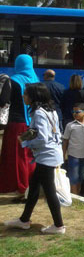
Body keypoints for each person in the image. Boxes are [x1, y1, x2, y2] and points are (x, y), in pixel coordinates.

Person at [4, 83, 65, 234]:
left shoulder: (39, 113)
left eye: (26, 94)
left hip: (46, 156)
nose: (23, 96)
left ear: (34, 97)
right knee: (34, 188)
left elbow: (43, 138)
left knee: (49, 191)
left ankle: (58, 225)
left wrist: (25, 142)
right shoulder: (51, 111)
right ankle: (24, 220)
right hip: (49, 154)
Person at [0, 54, 39, 194]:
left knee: (16, 156)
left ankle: (19, 186)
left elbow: (3, 101)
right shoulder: (36, 80)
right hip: (33, 124)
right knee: (29, 155)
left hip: (16, 125)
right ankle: (30, 185)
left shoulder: (13, 81)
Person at [62, 103, 84, 194]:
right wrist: (63, 154)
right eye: (73, 112)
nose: (74, 114)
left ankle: (77, 194)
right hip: (73, 155)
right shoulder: (70, 125)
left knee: (81, 176)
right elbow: (65, 141)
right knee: (73, 177)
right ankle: (74, 195)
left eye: (77, 112)